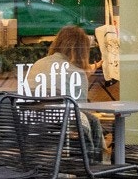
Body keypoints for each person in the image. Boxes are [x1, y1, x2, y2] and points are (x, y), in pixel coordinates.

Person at [23, 26, 104, 158]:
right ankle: (94, 168)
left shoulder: (38, 64)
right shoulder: (77, 73)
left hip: (34, 131)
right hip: (62, 134)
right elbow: (81, 110)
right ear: (81, 50)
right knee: (93, 121)